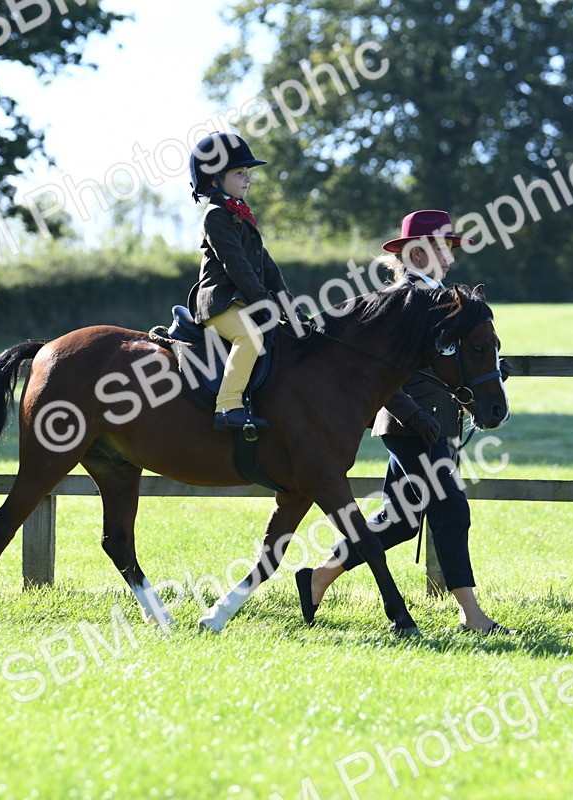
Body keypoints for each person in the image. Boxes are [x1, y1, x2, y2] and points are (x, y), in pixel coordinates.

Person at [293, 209, 517, 635]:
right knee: (450, 508)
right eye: (440, 250)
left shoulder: (444, 299)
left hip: (436, 423)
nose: (448, 260)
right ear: (415, 253)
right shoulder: (403, 301)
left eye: (449, 251)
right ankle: (472, 616)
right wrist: (413, 413)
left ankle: (318, 577)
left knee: (400, 519)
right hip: (410, 425)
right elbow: (375, 371)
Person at [186, 132, 296, 432]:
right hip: (218, 302)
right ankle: (227, 405)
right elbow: (236, 265)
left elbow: (266, 266)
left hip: (242, 299)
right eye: (239, 173)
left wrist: (289, 305)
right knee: (249, 335)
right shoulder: (216, 216)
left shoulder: (241, 214)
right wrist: (263, 302)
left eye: (247, 173)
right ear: (213, 180)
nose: (247, 179)